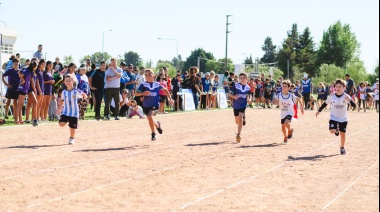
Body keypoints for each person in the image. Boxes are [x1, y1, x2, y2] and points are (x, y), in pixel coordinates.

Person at [316, 79, 357, 155]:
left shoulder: (346, 96)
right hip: (333, 117)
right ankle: (336, 130)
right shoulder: (332, 96)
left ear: (344, 87)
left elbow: (354, 106)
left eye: (340, 86)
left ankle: (342, 147)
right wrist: (319, 111)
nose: (338, 88)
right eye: (336, 86)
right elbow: (325, 104)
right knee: (332, 130)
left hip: (343, 119)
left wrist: (350, 101)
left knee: (343, 134)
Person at [136, 69, 174, 141]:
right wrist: (143, 93)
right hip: (146, 105)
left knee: (150, 116)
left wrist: (170, 98)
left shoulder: (157, 84)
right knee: (150, 118)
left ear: (153, 76)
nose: (148, 76)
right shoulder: (143, 84)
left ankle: (153, 134)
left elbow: (165, 90)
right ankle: (157, 125)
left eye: (149, 75)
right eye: (146, 75)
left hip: (155, 104)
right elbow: (136, 93)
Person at [57, 74, 88, 145]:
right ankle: (68, 120)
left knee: (72, 128)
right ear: (64, 82)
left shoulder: (76, 91)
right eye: (66, 81)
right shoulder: (64, 92)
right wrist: (59, 109)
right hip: (66, 112)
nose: (68, 82)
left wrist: (84, 95)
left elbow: (82, 94)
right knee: (61, 124)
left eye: (69, 80)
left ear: (73, 81)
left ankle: (72, 138)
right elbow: (62, 100)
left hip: (74, 113)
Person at [229, 73, 252, 143]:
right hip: (235, 105)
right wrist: (234, 97)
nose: (242, 79)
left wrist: (249, 99)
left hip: (243, 105)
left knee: (240, 118)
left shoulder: (248, 87)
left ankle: (238, 134)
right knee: (237, 121)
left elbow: (249, 95)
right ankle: (242, 119)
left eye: (244, 78)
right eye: (241, 78)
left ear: (246, 79)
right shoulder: (235, 85)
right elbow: (229, 93)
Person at [16, 61, 38, 125]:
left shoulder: (30, 71)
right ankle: (17, 120)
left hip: (27, 88)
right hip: (23, 88)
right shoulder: (27, 71)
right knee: (19, 104)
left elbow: (31, 81)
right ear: (34, 67)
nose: (36, 68)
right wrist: (22, 79)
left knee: (33, 102)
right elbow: (20, 74)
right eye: (36, 67)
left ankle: (34, 119)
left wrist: (34, 90)